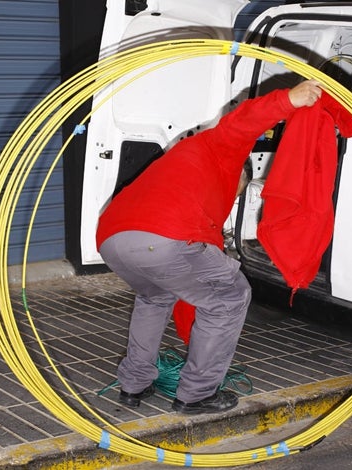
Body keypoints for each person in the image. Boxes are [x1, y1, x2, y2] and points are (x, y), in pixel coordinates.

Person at [96, 80, 324, 415]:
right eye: (236, 194)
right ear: (240, 177)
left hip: (112, 238)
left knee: (154, 297)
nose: (231, 199)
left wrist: (194, 328)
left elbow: (192, 285)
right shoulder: (220, 150)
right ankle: (196, 394)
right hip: (164, 236)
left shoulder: (179, 164)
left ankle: (134, 383)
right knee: (232, 296)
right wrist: (289, 99)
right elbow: (241, 121)